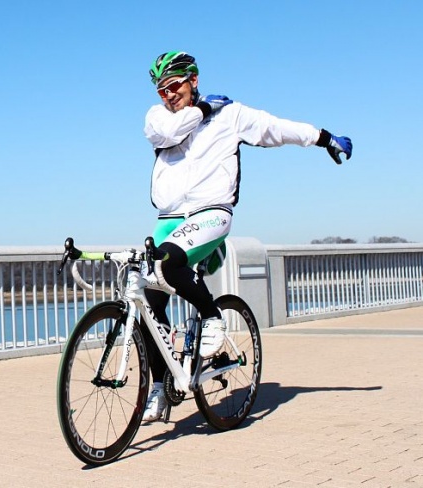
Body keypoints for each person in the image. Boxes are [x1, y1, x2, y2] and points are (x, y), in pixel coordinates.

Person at [141, 51, 352, 421]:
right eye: (162, 90)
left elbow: (277, 129)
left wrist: (323, 137)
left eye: (174, 85)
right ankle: (160, 388)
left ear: (193, 80)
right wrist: (203, 110)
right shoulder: (158, 118)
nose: (168, 96)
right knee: (148, 296)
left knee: (169, 263)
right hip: (168, 218)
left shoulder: (232, 116)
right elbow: (171, 131)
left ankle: (212, 317)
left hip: (211, 213)